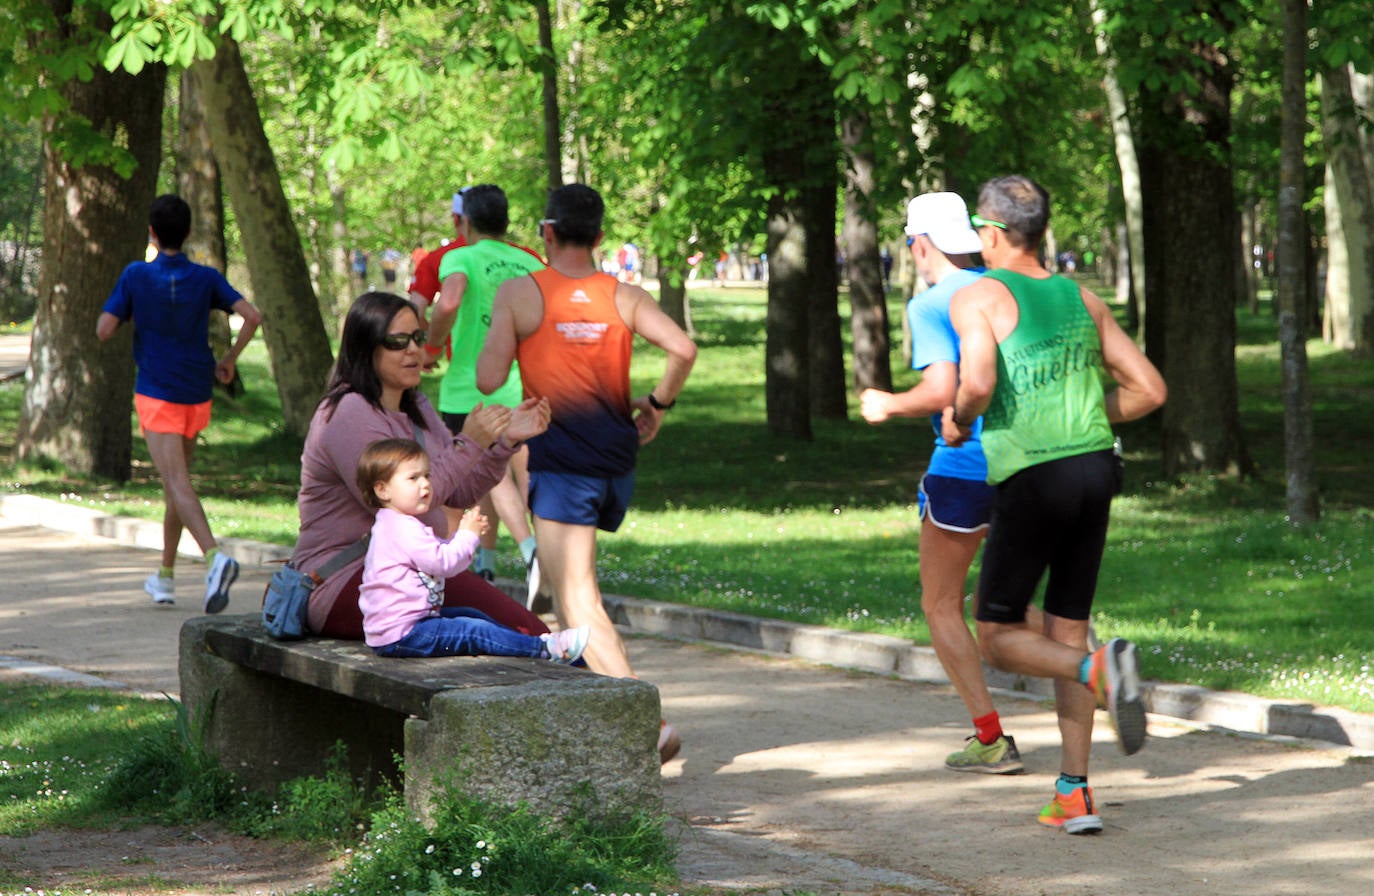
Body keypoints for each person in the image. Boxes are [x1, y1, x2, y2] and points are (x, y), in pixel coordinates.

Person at [942, 174, 1167, 834]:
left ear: (989, 232)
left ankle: (1096, 668)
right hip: (1096, 470)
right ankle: (1074, 792)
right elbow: (1150, 389)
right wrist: (1082, 418)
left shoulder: (978, 297)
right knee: (1067, 623)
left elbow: (978, 382)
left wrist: (958, 416)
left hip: (1034, 477)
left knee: (999, 635)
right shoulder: (1080, 297)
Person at [477, 183, 697, 764]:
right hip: (615, 458)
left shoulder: (520, 294)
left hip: (564, 458)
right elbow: (683, 349)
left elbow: (486, 376)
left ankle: (648, 722)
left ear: (546, 234)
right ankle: (596, 722)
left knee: (577, 596)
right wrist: (658, 405)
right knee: (561, 595)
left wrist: (502, 331)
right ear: (600, 238)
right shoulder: (623, 295)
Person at [860, 191, 1040, 775]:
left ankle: (989, 737)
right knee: (1001, 603)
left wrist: (886, 404)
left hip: (961, 469)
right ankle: (1097, 668)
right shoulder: (1000, 289)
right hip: (1023, 463)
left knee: (940, 605)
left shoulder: (932, 302)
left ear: (921, 244)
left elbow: (942, 391)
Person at [293, 290, 552, 641]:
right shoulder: (348, 414)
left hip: (415, 572)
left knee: (525, 633)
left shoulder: (415, 405)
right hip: (345, 582)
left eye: (417, 337)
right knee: (524, 634)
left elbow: (459, 490)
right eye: (398, 342)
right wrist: (468, 443)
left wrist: (504, 444)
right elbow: (411, 506)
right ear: (366, 348)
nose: (414, 350)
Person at [96, 194, 262, 613]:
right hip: (197, 391)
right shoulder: (205, 278)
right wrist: (230, 359)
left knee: (175, 481)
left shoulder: (136, 275)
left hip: (157, 390)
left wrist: (127, 314)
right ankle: (165, 576)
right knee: (177, 481)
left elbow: (103, 329)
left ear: (152, 232)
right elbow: (253, 316)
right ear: (188, 232)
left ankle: (214, 557)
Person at [355, 437, 589, 662]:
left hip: (405, 629)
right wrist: (468, 535)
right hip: (404, 634)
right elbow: (443, 563)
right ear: (383, 490)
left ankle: (527, 644)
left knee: (471, 615)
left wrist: (463, 535)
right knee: (474, 630)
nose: (425, 483)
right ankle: (544, 649)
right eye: (413, 478)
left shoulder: (395, 524)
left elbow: (435, 556)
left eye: (427, 475)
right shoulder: (401, 529)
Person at [426, 184, 544, 601]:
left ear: (467, 221)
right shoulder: (529, 260)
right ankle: (487, 568)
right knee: (512, 475)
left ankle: (533, 557)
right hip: (524, 386)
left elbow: (448, 302)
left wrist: (430, 346)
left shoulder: (460, 256)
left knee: (484, 475)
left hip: (469, 388)